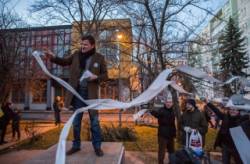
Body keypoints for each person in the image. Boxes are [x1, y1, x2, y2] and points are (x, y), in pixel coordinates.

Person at [45, 35, 108, 156]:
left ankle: (97, 147)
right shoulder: (75, 55)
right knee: (76, 122)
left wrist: (97, 77)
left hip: (91, 96)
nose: (83, 46)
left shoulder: (99, 58)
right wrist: (52, 58)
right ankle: (76, 145)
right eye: (82, 44)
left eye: (85, 44)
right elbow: (64, 62)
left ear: (92, 45)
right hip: (77, 94)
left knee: (94, 122)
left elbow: (105, 75)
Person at [150, 95, 176, 164]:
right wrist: (151, 111)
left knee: (172, 150)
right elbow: (156, 114)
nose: (168, 103)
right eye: (167, 102)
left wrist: (174, 133)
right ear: (165, 103)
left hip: (171, 134)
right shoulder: (161, 110)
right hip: (163, 134)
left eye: (170, 102)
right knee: (162, 151)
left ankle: (172, 162)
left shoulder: (173, 110)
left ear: (172, 103)